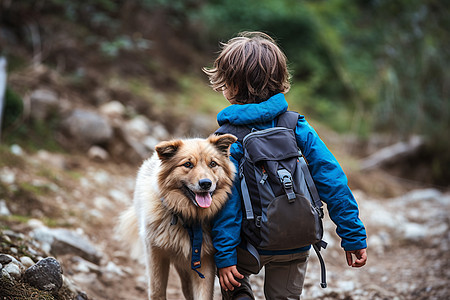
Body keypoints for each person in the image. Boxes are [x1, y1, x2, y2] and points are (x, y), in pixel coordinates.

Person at [203, 31, 367, 299]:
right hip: (296, 238)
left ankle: (240, 292)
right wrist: (353, 235)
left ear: (230, 85)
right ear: (280, 79)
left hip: (249, 245)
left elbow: (226, 201)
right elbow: (332, 179)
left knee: (233, 283)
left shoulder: (227, 138)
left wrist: (225, 256)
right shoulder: (295, 125)